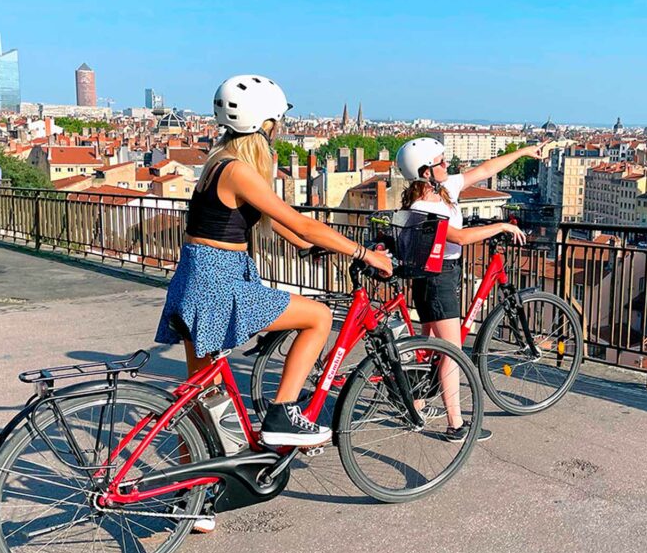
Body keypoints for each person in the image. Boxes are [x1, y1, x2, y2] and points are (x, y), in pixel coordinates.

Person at [154, 74, 393, 452]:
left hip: (194, 282)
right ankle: (282, 414)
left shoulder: (219, 163)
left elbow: (279, 226)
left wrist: (308, 246)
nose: (278, 130)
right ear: (264, 124)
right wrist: (364, 253)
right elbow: (299, 220)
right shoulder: (239, 171)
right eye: (276, 122)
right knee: (318, 317)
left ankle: (192, 503)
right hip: (220, 283)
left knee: (202, 402)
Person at [396, 137, 544, 442]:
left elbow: (486, 168)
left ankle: (416, 405)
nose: (446, 165)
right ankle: (456, 424)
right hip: (438, 279)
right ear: (425, 172)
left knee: (431, 347)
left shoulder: (443, 188)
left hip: (434, 276)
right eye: (440, 162)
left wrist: (525, 152)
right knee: (451, 352)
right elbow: (459, 239)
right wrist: (501, 227)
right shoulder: (423, 207)